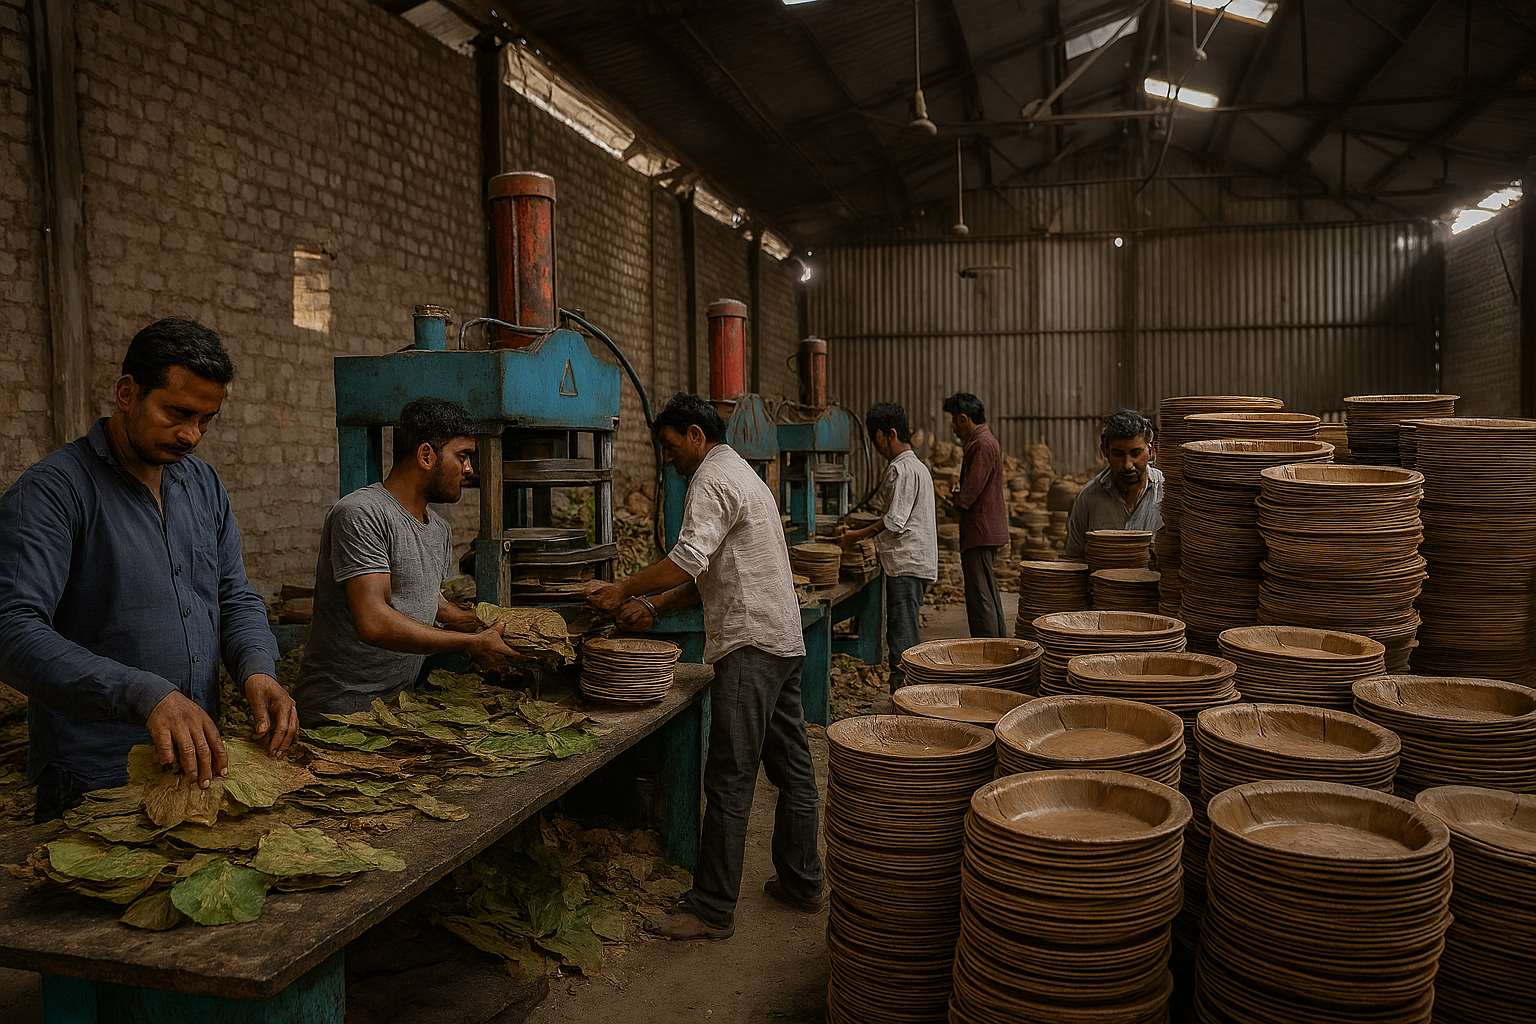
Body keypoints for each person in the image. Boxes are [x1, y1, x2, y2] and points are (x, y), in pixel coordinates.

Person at [0, 318, 297, 822]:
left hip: (196, 765)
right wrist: (143, 693)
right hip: (94, 777)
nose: (191, 435)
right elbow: (11, 629)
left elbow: (234, 596)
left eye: (206, 420)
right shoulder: (52, 493)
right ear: (127, 393)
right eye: (177, 413)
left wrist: (257, 667)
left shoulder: (202, 485)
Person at [587, 393, 823, 941]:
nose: (668, 459)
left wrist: (624, 587)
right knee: (794, 770)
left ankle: (713, 908)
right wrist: (652, 606)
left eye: (671, 447)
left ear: (697, 434)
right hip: (782, 640)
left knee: (729, 778)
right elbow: (707, 574)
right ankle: (803, 881)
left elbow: (688, 560)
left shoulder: (710, 479)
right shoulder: (743, 474)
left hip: (749, 644)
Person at [293, 398, 514, 726]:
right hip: (338, 712)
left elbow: (424, 598)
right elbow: (374, 622)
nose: (469, 469)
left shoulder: (439, 529)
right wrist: (471, 643)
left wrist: (487, 622)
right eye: (462, 456)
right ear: (426, 455)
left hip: (396, 707)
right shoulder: (362, 514)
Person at [837, 402, 937, 690]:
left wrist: (856, 535)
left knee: (902, 640)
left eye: (875, 439)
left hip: (906, 565)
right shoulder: (917, 466)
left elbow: (894, 521)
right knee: (905, 631)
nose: (876, 446)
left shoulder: (902, 469)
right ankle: (911, 694)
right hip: (912, 562)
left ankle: (905, 695)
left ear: (888, 434)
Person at [943, 392, 1009, 638]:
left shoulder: (980, 444)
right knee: (987, 592)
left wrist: (953, 499)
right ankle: (997, 644)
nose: (952, 427)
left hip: (979, 531)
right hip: (984, 529)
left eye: (953, 420)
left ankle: (987, 648)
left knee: (980, 596)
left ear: (963, 418)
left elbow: (970, 493)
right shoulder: (986, 440)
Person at [1063, 409, 1164, 562]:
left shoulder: (1167, 493)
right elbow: (1074, 558)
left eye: (1135, 453)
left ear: (1151, 449)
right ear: (1105, 450)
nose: (1127, 465)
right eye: (1118, 454)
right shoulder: (1089, 498)